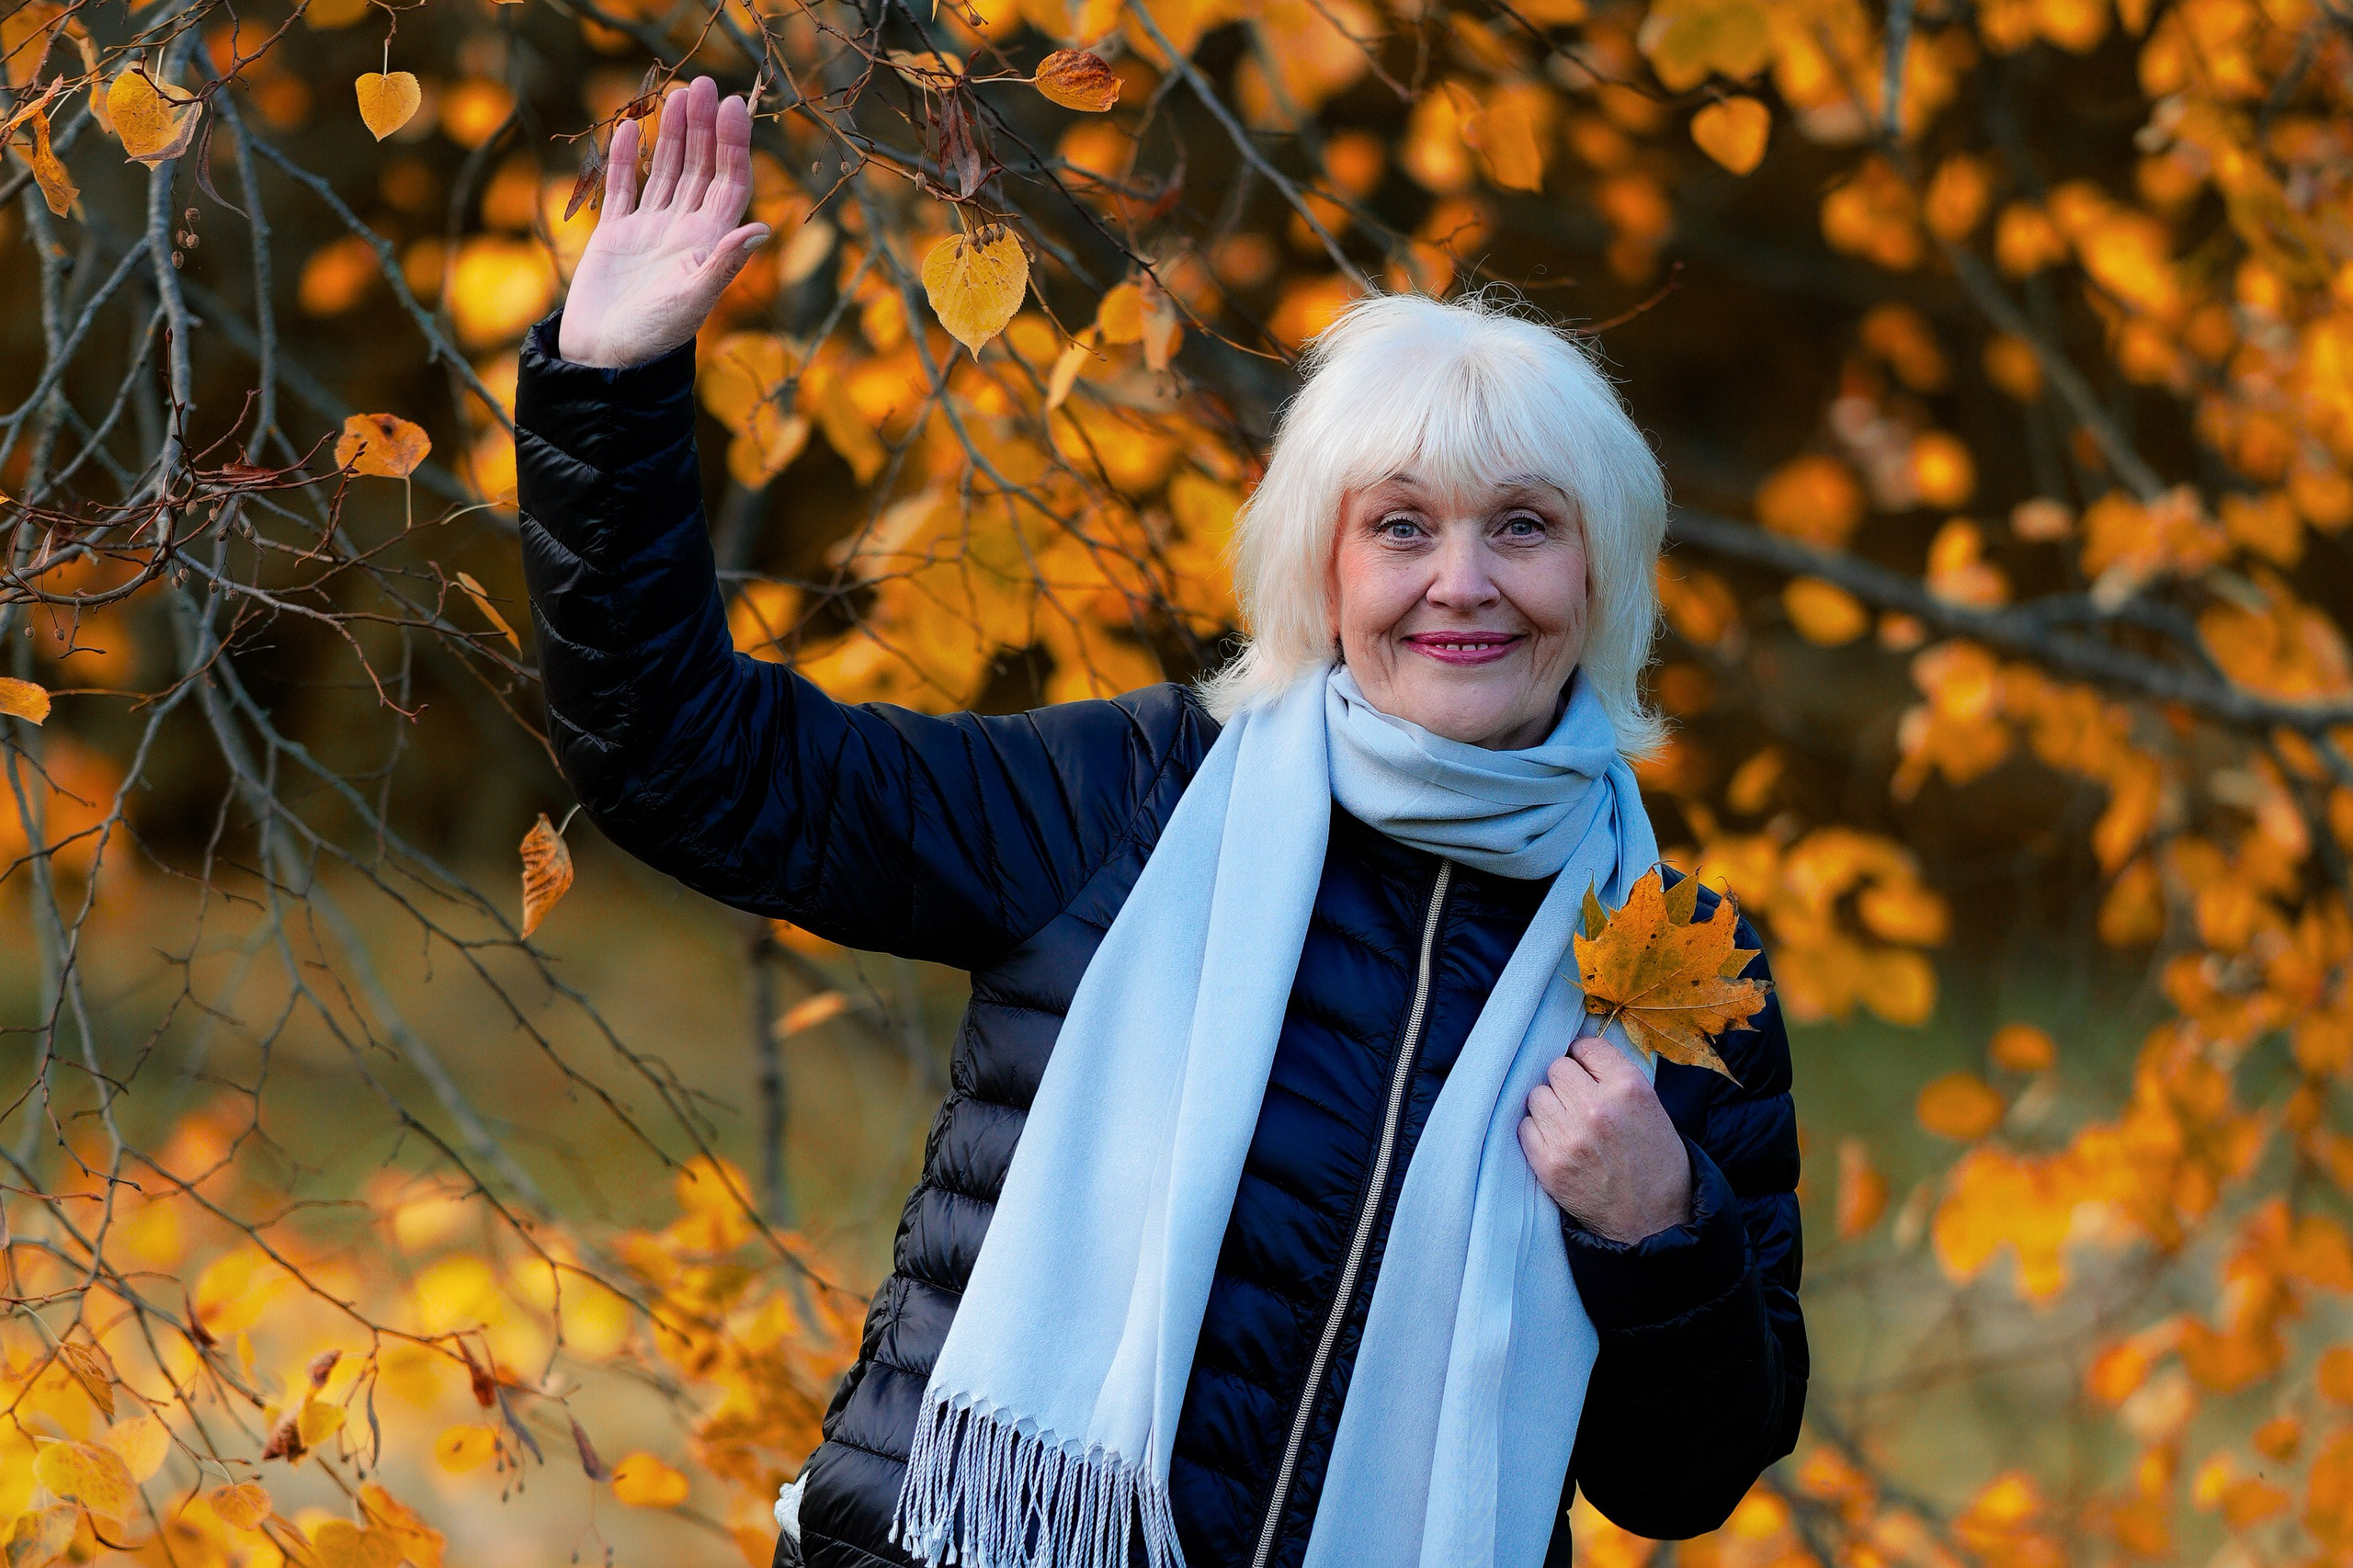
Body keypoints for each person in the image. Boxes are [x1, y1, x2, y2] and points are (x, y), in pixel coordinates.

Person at [517, 74, 1804, 1568]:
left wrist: (1660, 1226)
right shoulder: (1126, 799)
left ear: (1599, 575)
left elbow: (1686, 1478)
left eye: (1522, 524)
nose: (1463, 582)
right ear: (1320, 566)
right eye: (1401, 526)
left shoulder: (1675, 966)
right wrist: (606, 393)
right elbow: (692, 766)